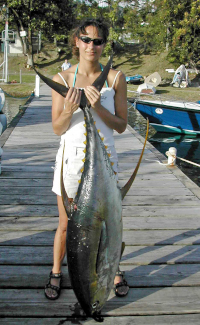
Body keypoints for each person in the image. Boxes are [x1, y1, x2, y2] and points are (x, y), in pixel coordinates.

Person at [44, 18, 129, 300]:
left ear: (104, 45)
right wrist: (70, 108)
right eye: (86, 39)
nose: (91, 45)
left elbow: (120, 125)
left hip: (105, 160)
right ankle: (56, 271)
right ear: (76, 42)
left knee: (109, 222)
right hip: (71, 160)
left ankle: (112, 268)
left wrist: (95, 106)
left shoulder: (115, 78)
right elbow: (58, 127)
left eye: (98, 41)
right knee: (66, 223)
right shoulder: (62, 79)